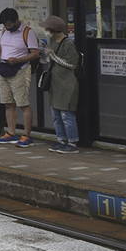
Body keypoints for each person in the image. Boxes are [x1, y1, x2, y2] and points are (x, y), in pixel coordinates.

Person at [0, 8, 40, 147]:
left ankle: (27, 135)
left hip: (20, 69)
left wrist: (18, 60)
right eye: (4, 25)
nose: (6, 27)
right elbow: (2, 47)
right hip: (4, 68)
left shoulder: (27, 32)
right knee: (8, 103)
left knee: (23, 104)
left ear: (16, 21)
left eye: (8, 24)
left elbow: (35, 53)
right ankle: (11, 132)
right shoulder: (4, 31)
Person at [41, 16, 82, 154]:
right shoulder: (51, 41)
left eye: (47, 29)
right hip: (55, 82)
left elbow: (72, 64)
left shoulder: (68, 43)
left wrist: (52, 55)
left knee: (66, 114)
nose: (46, 31)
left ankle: (72, 142)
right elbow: (48, 60)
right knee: (56, 114)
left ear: (53, 30)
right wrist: (47, 55)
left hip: (67, 84)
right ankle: (61, 140)